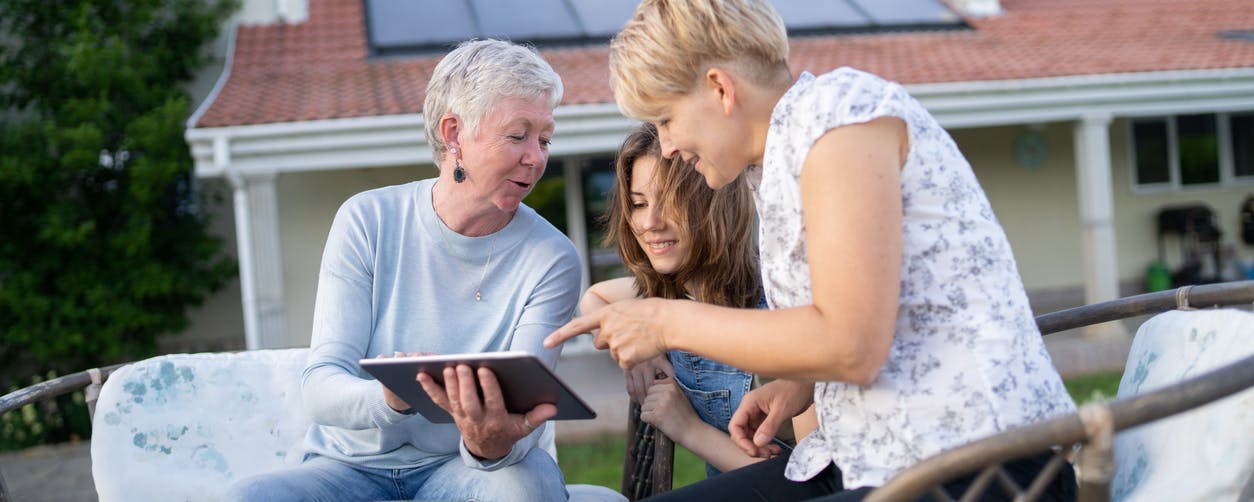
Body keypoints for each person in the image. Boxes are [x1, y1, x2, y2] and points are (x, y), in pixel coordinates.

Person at [545, 1, 1078, 500]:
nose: (667, 147)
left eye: (666, 119)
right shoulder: (774, 163)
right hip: (867, 456)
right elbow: (872, 304)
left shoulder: (839, 117)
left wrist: (665, 321)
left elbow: (852, 345)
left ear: (720, 90)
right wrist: (796, 386)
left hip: (980, 461)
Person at [226, 39, 581, 502]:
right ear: (453, 133)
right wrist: (392, 398)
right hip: (348, 469)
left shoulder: (552, 258)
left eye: (545, 139)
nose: (536, 157)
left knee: (521, 486)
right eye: (518, 136)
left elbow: (523, 415)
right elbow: (320, 385)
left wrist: (487, 445)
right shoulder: (368, 220)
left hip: (464, 471)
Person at [582, 123, 804, 476]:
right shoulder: (666, 294)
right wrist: (642, 354)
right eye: (639, 204)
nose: (650, 222)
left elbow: (800, 481)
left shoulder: (777, 313)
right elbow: (595, 297)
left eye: (671, 203)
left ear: (715, 206)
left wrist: (686, 427)